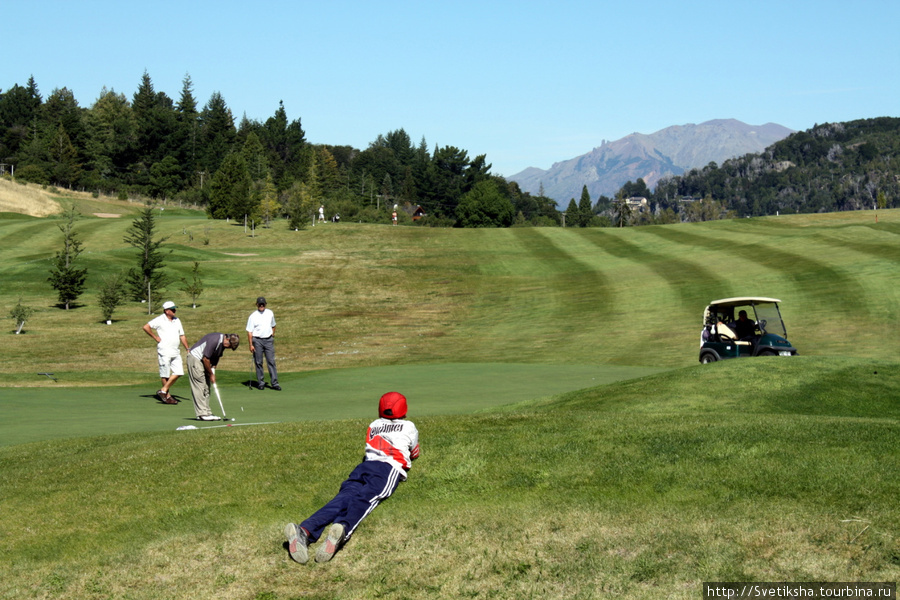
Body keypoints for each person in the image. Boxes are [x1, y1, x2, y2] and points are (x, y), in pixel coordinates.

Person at [284, 391, 421, 564]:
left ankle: (304, 530)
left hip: (363, 467)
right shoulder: (409, 426)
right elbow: (414, 453)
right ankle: (342, 529)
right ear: (404, 408)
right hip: (388, 469)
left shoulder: (374, 424)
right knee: (366, 499)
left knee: (342, 499)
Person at [142, 300, 189, 404]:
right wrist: (155, 337)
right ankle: (167, 396)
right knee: (165, 373)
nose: (174, 311)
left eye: (175, 309)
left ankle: (163, 390)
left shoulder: (177, 320)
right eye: (172, 309)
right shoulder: (159, 319)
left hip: (175, 350)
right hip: (164, 350)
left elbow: (182, 335)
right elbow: (146, 327)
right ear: (166, 311)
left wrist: (187, 348)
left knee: (179, 372)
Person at [186, 333, 240, 421]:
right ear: (227, 339)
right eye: (229, 346)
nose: (228, 347)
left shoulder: (223, 344)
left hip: (203, 361)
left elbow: (216, 357)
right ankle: (202, 414)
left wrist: (213, 368)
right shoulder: (214, 340)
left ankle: (207, 412)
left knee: (207, 387)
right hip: (195, 359)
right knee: (200, 386)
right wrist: (211, 374)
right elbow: (205, 358)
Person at [246, 296, 280, 391]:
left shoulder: (270, 313)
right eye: (260, 304)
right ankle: (260, 383)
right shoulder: (253, 316)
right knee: (258, 362)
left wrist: (272, 335)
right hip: (257, 340)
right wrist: (251, 344)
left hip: (268, 340)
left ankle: (275, 383)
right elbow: (249, 331)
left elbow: (273, 325)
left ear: (265, 304)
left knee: (271, 362)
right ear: (257, 305)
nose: (261, 305)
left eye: (263, 304)